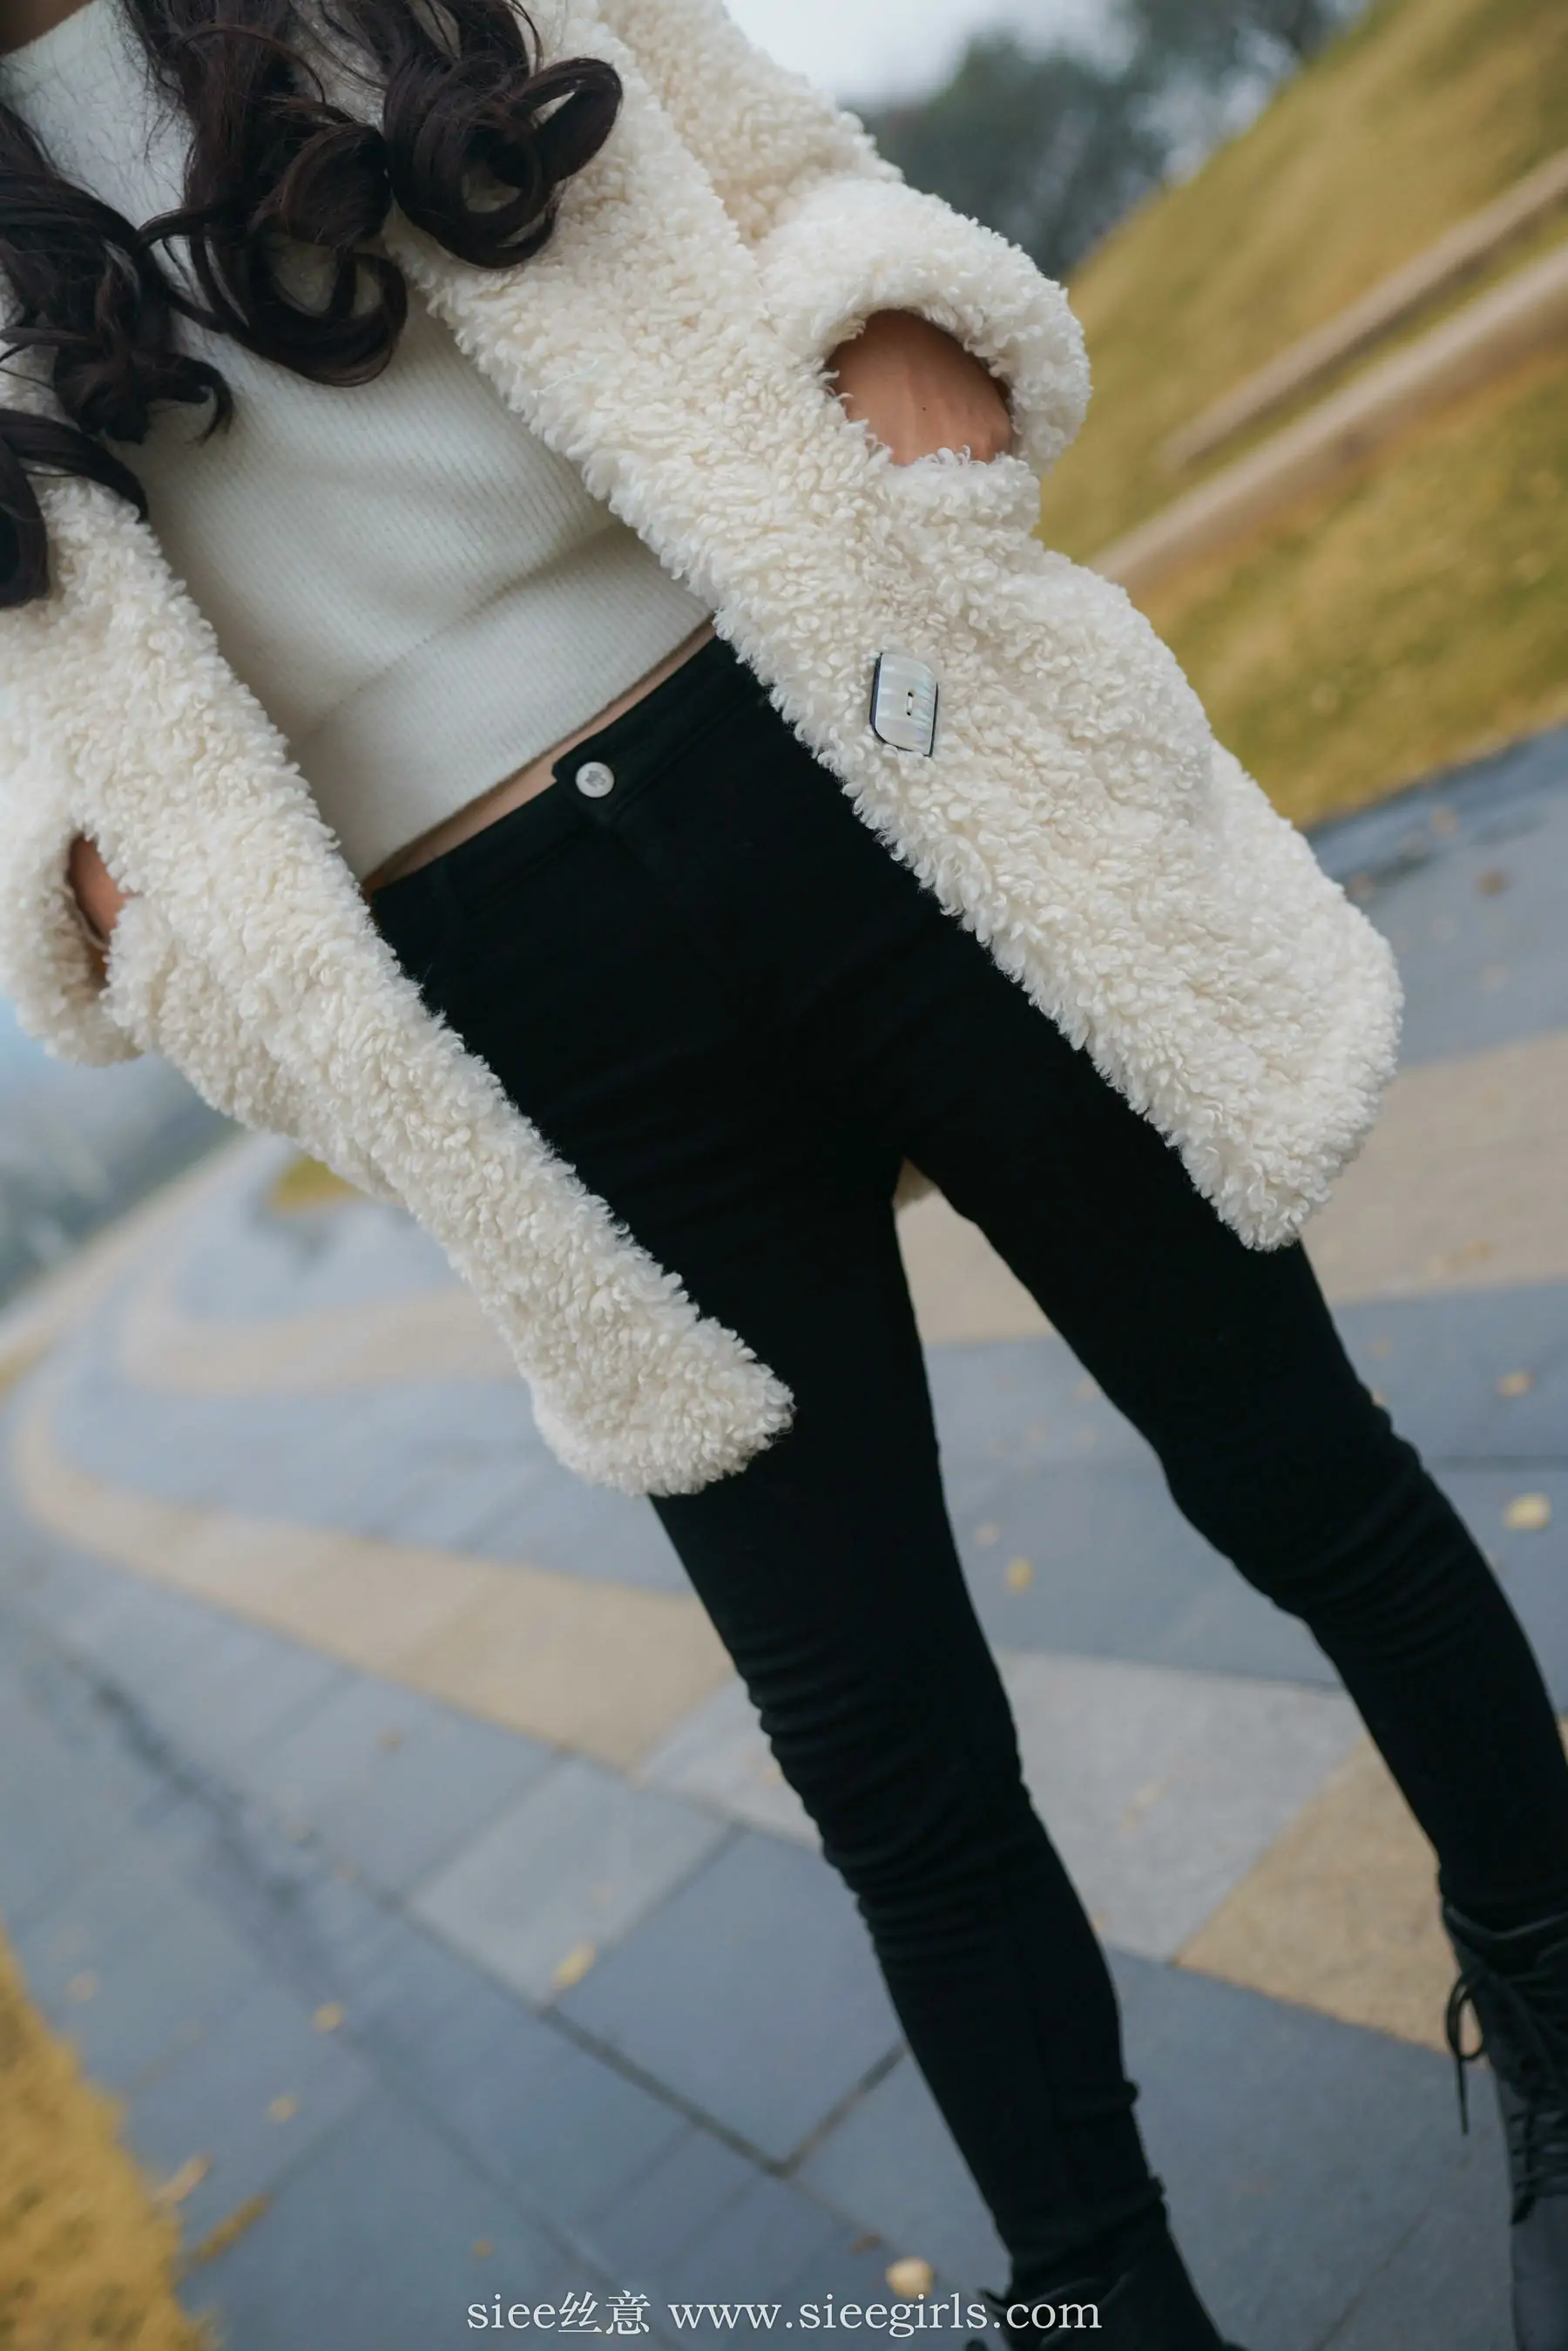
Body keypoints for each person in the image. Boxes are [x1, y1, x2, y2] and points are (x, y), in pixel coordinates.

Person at [1, 2, 1565, 2341]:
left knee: (1294, 1463)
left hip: (843, 763)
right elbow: (33, 739)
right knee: (882, 1757)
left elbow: (789, 173)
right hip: (519, 1011)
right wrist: (118, 900)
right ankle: (1099, 2299)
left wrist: (906, 347)